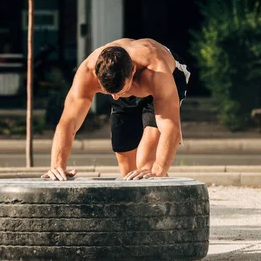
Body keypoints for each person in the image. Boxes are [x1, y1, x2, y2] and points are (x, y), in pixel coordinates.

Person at [41, 38, 190, 181]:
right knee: (127, 167)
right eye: (108, 92)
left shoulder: (155, 71)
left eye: (120, 92)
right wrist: (57, 165)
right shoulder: (88, 72)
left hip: (167, 81)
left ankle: (166, 202)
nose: (115, 98)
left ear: (132, 71)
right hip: (125, 84)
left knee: (146, 164)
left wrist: (158, 171)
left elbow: (171, 127)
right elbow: (69, 121)